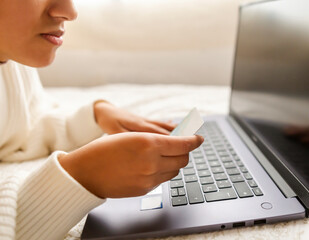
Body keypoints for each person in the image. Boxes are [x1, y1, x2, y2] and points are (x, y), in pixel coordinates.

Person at [0, 0, 204, 239]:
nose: (69, 12)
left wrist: (95, 116)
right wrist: (81, 177)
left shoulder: (11, 62)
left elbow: (22, 131)